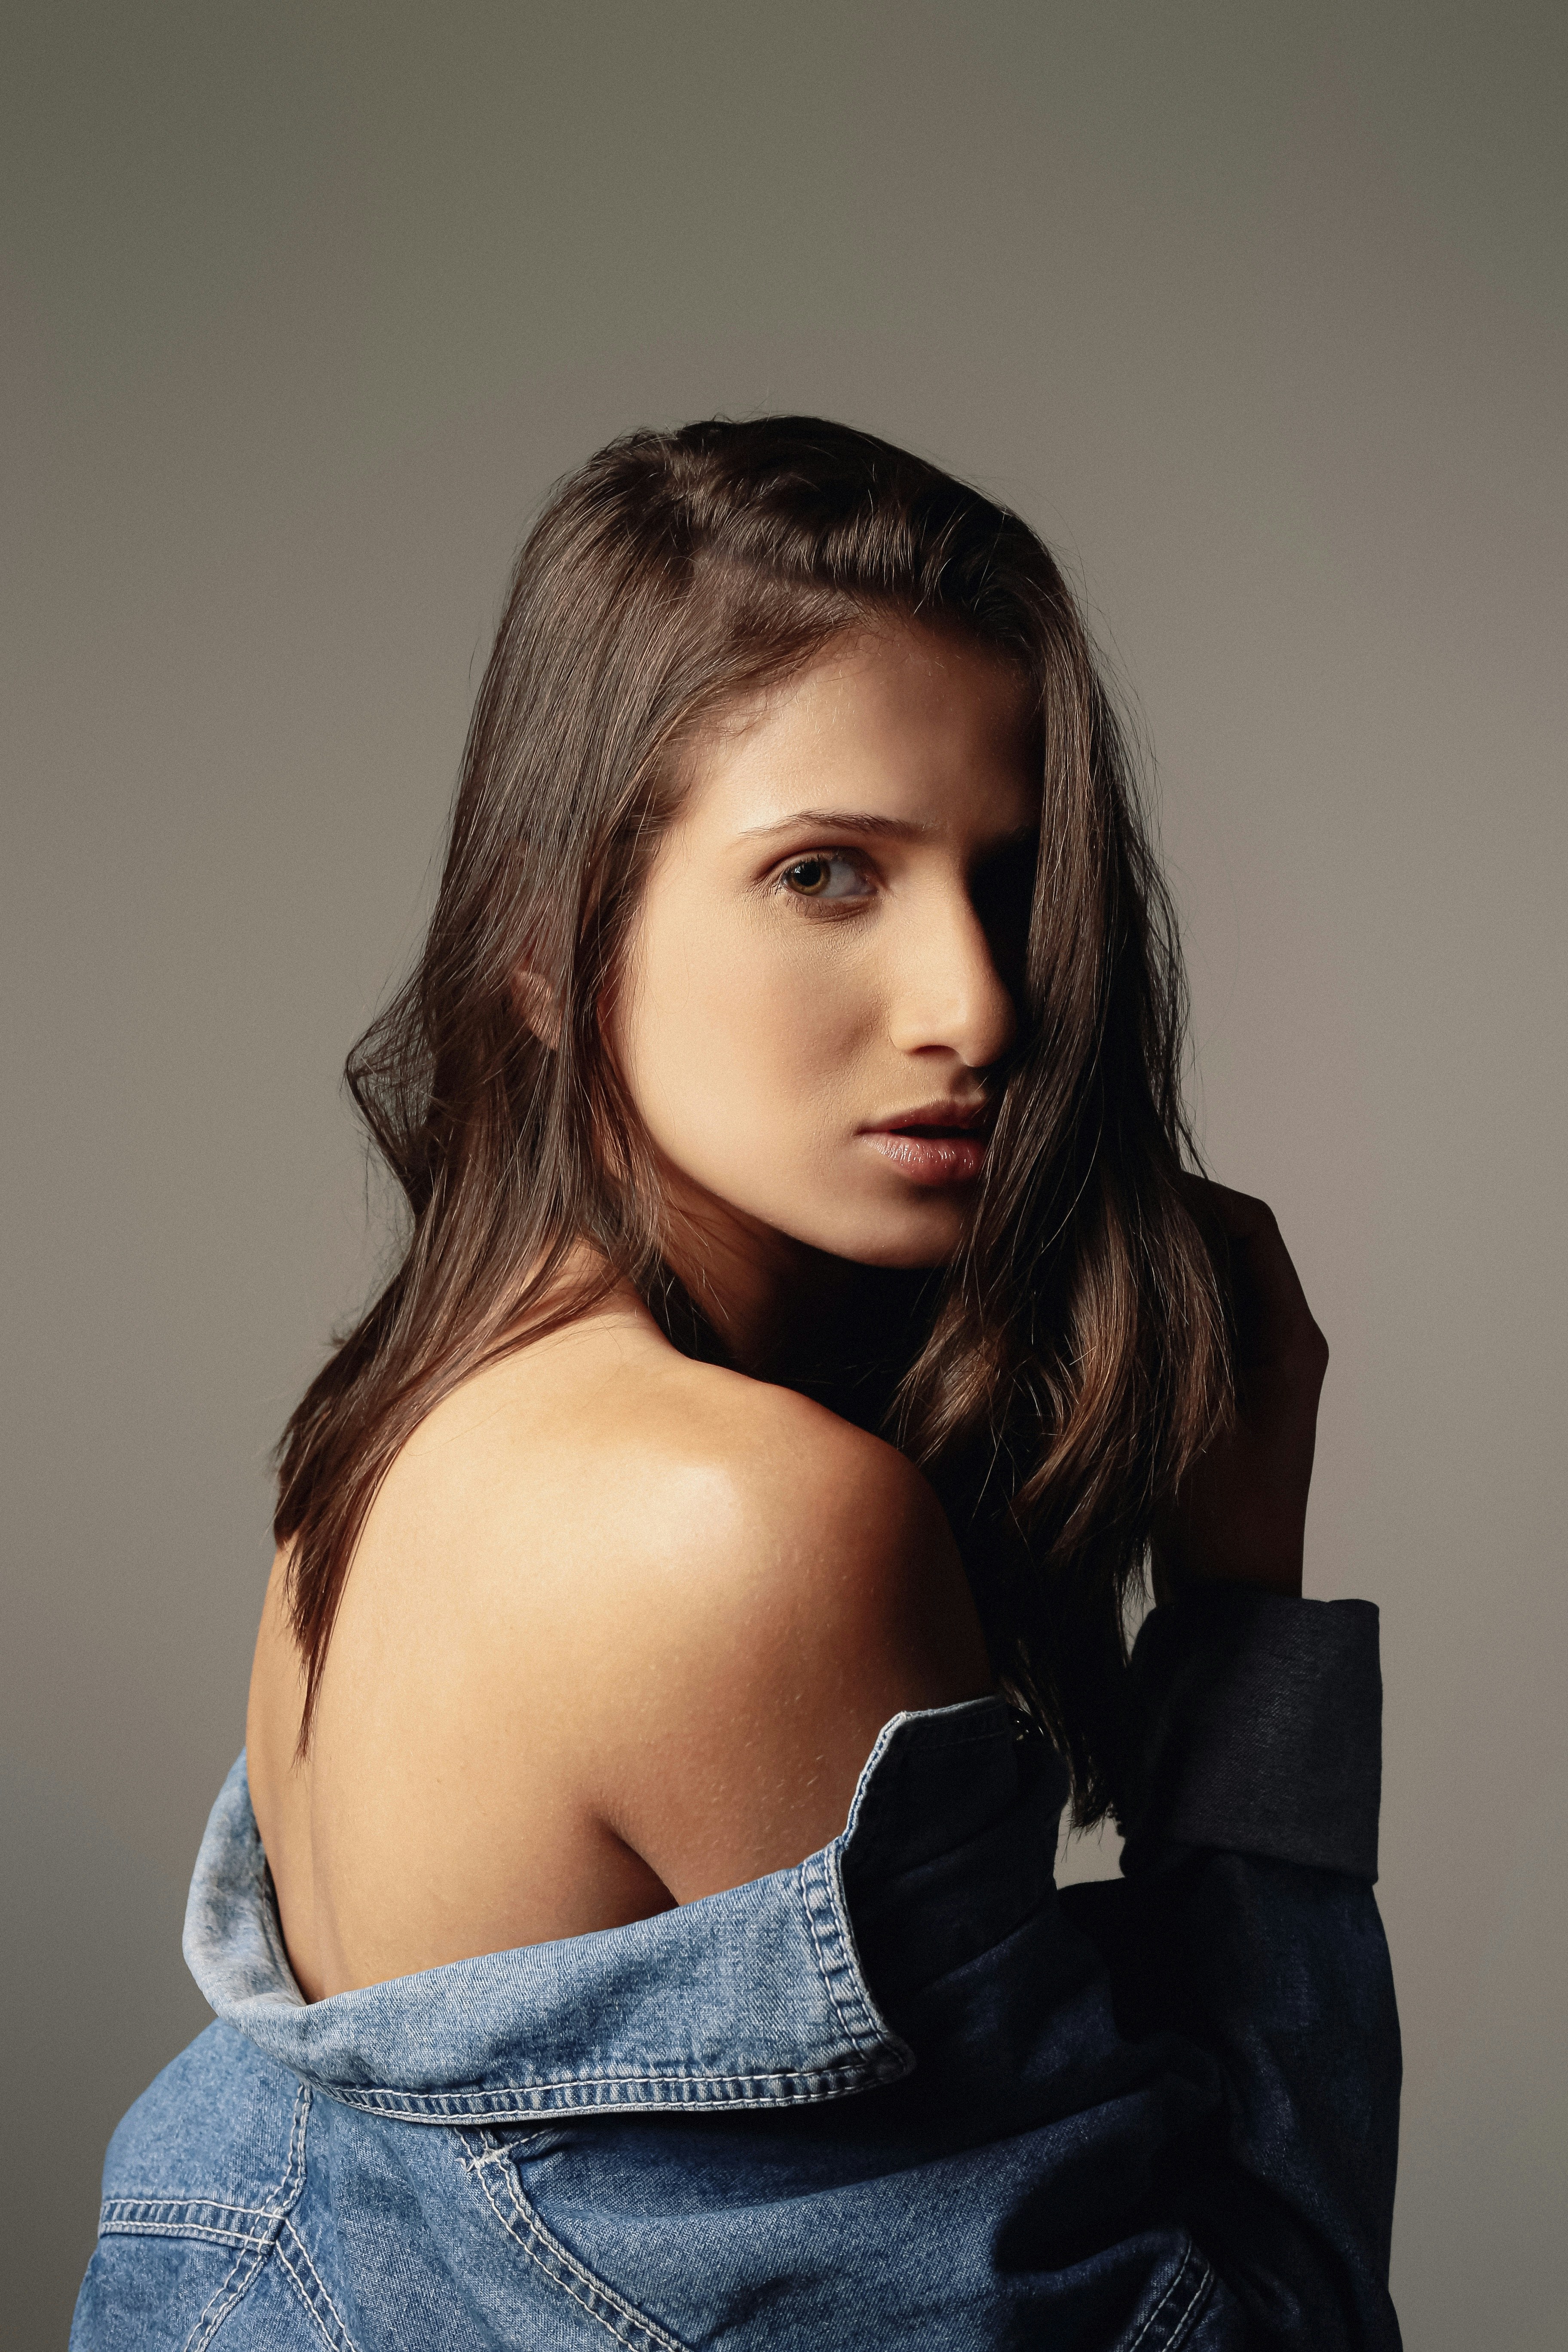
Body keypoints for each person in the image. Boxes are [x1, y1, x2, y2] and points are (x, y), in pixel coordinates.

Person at [73, 418, 1401, 2349]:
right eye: (827, 875)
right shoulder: (738, 1531)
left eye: (1006, 879)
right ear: (549, 935)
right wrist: (1247, 1614)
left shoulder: (381, 1449)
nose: (979, 1001)